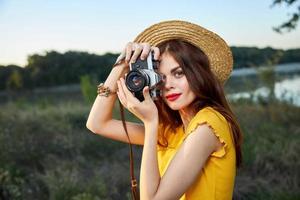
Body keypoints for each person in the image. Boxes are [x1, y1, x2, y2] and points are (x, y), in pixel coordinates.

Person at [86, 20, 243, 200]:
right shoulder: (173, 130)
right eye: (160, 77)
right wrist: (121, 65)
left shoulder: (208, 126)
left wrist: (150, 122)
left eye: (178, 73)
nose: (168, 85)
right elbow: (97, 124)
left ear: (198, 73)